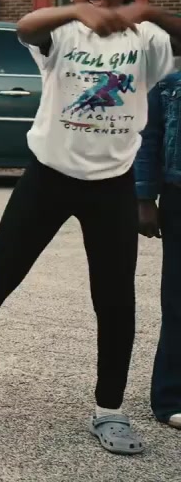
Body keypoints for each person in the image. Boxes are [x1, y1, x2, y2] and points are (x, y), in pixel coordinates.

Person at [0, 0, 181, 455]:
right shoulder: (62, 31)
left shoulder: (147, 38)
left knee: (115, 299)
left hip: (112, 184)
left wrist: (145, 11)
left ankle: (109, 410)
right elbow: (25, 26)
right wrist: (78, 12)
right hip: (48, 177)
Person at [136, 56, 181, 432]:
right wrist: (144, 199)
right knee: (178, 298)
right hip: (178, 195)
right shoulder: (168, 87)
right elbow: (147, 141)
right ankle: (171, 397)